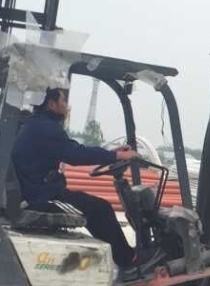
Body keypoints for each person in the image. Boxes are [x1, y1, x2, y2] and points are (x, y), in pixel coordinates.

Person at [12, 87, 145, 272]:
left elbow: (72, 148)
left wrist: (110, 154)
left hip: (37, 190)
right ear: (51, 104)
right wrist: (116, 157)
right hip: (40, 197)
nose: (66, 106)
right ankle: (128, 260)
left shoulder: (36, 124)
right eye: (63, 101)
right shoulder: (45, 128)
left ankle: (123, 257)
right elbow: (75, 154)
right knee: (100, 208)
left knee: (93, 205)